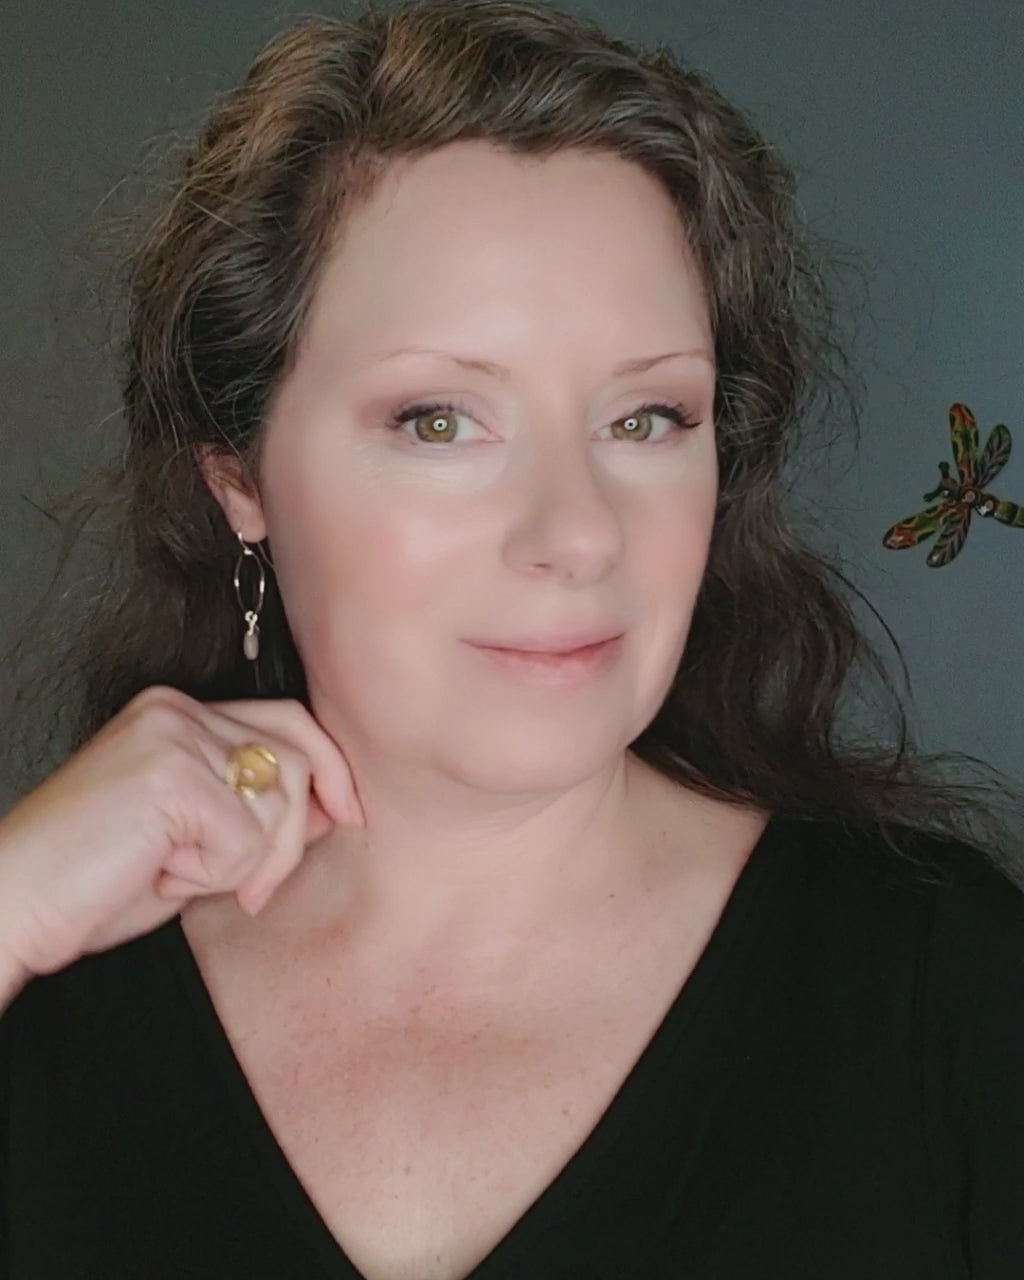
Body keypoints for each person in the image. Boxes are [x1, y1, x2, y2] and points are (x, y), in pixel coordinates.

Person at [1, 0, 1022, 1276]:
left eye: (646, 418)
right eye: (439, 420)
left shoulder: (950, 992)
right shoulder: (41, 981)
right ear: (239, 477)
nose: (577, 532)